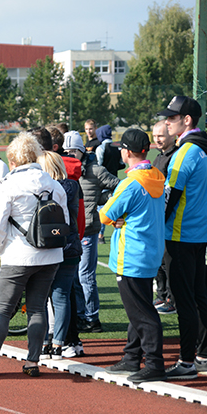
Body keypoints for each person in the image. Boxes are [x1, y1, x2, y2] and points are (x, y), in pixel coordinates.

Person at [0, 133, 68, 378]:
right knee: (37, 308)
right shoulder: (54, 184)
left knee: (2, 309)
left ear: (12, 160)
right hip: (50, 255)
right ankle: (32, 361)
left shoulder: (9, 185)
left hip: (18, 255)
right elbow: (63, 219)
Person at [100, 128, 167, 383]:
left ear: (127, 152)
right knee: (138, 308)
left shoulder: (130, 183)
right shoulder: (157, 175)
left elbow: (105, 215)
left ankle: (154, 363)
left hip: (130, 256)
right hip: (149, 252)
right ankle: (131, 357)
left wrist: (116, 218)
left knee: (142, 313)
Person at [160, 95, 207, 379]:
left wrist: (156, 224)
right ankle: (204, 356)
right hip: (200, 233)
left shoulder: (185, 152)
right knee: (200, 297)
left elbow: (170, 197)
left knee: (184, 300)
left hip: (180, 235)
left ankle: (186, 362)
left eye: (172, 117)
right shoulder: (205, 149)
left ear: (187, 120)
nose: (167, 121)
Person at [63, 131, 118, 334]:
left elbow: (120, 186)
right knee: (75, 277)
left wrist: (102, 200)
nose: (69, 155)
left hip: (87, 230)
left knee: (85, 275)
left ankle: (92, 318)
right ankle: (80, 315)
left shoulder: (95, 170)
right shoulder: (63, 169)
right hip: (70, 231)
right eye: (66, 152)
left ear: (80, 151)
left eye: (72, 152)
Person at [37, 151, 82, 359]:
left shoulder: (44, 188)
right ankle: (58, 344)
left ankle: (45, 341)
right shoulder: (73, 186)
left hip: (48, 247)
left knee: (43, 296)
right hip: (70, 244)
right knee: (62, 296)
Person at [151, 121, 179, 312]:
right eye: (155, 136)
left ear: (171, 134)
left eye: (160, 135)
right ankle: (161, 295)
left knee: (168, 262)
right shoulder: (158, 157)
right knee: (158, 261)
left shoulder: (175, 157)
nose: (157, 139)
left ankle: (171, 299)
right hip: (157, 217)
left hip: (169, 219)